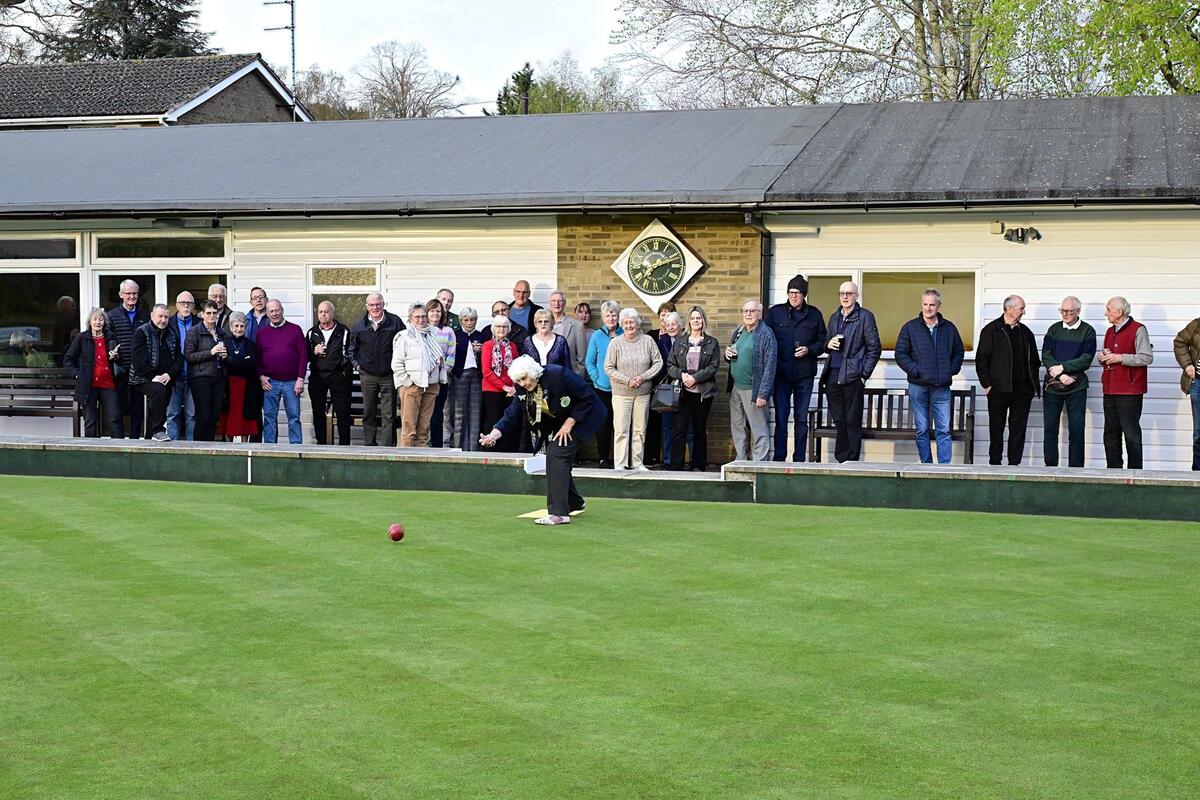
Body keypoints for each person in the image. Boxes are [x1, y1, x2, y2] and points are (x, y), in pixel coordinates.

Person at [481, 356, 603, 525]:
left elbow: (587, 396)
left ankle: (559, 514)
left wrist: (570, 423)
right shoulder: (522, 389)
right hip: (562, 420)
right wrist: (493, 435)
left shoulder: (558, 374)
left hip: (586, 416)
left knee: (556, 453)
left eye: (524, 378)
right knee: (557, 457)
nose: (523, 383)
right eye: (519, 380)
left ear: (532, 373)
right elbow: (512, 414)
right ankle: (574, 502)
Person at [894, 289, 965, 464]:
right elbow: (901, 354)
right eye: (925, 304)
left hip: (941, 387)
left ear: (938, 306)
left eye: (932, 304)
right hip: (918, 386)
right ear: (921, 305)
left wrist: (950, 370)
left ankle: (944, 468)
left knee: (943, 430)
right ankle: (926, 466)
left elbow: (958, 351)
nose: (928, 308)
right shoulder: (910, 327)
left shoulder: (949, 328)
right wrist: (916, 371)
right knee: (922, 429)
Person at [976, 295, 1040, 466]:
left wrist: (1032, 385)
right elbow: (981, 359)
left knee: (1018, 430)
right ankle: (995, 464)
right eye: (1021, 308)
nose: (1024, 311)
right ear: (1009, 309)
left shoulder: (1025, 332)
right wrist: (987, 385)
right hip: (998, 389)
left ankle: (1014, 465)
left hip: (1022, 390)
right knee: (996, 429)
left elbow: (1034, 360)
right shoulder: (991, 330)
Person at [766, 275, 825, 462]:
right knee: (781, 418)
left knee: (801, 419)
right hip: (781, 375)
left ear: (804, 295)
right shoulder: (775, 313)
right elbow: (766, 340)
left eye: (797, 293)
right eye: (791, 292)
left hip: (804, 375)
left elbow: (822, 342)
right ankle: (779, 458)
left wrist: (809, 350)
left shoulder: (815, 314)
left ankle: (799, 458)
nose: (793, 296)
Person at [821, 282, 882, 463]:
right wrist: (828, 345)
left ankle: (852, 461)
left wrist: (864, 375)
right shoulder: (834, 317)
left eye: (849, 293)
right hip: (833, 373)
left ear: (857, 295)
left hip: (853, 375)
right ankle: (841, 459)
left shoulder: (865, 317)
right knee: (839, 419)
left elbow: (874, 348)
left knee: (852, 421)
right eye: (841, 293)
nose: (845, 297)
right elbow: (825, 343)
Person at [604, 307, 663, 470]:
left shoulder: (647, 341)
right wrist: (627, 380)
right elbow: (608, 367)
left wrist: (642, 377)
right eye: (626, 323)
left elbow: (658, 362)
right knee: (621, 430)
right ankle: (620, 464)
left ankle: (637, 463)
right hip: (621, 394)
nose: (629, 325)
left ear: (638, 323)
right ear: (622, 324)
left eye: (632, 322)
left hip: (643, 393)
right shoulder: (615, 343)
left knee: (639, 430)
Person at [1041, 296, 1096, 468]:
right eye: (1062, 310)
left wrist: (1063, 368)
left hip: (1077, 386)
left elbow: (1086, 359)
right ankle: (1050, 467)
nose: (1064, 314)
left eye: (1069, 311)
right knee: (1050, 428)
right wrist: (1059, 375)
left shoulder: (1088, 331)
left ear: (1078, 311)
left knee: (1077, 429)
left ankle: (1076, 470)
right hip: (1052, 386)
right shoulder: (1053, 329)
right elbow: (1046, 355)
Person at [1099, 296, 1152, 469]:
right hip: (1110, 389)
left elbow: (1146, 357)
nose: (1106, 313)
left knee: (1131, 435)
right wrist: (1102, 357)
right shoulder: (1110, 331)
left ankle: (1135, 475)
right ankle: (1113, 474)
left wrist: (1119, 358)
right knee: (1110, 435)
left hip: (1129, 391)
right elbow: (1109, 356)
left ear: (1119, 312)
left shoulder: (1138, 329)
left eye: (1108, 309)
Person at [666, 305, 720, 471]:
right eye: (693, 318)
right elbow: (670, 365)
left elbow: (713, 366)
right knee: (679, 429)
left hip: (702, 393)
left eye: (699, 318)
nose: (696, 321)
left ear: (703, 320)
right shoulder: (680, 341)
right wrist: (683, 376)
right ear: (689, 321)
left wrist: (696, 378)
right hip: (682, 392)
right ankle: (676, 465)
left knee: (699, 430)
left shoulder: (712, 343)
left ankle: (698, 464)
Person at [350, 292, 405, 446]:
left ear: (383, 304)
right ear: (367, 306)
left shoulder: (395, 322)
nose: (375, 307)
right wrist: (357, 366)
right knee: (369, 413)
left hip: (389, 375)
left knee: (389, 414)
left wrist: (398, 368)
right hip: (367, 375)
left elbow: (404, 345)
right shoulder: (359, 325)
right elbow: (351, 350)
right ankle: (369, 446)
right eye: (372, 305)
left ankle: (387, 447)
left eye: (378, 304)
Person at [726, 300, 778, 461]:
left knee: (759, 429)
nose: (748, 314)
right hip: (736, 388)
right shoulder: (739, 331)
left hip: (753, 390)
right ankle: (740, 461)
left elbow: (770, 365)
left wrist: (763, 393)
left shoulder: (766, 334)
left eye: (752, 311)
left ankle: (758, 465)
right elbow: (734, 353)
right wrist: (727, 355)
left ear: (759, 314)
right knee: (738, 427)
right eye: (745, 311)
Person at [392, 303, 448, 448]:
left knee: (424, 429)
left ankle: (420, 463)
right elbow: (396, 364)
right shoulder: (404, 336)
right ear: (410, 319)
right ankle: (405, 464)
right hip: (413, 386)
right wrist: (408, 382)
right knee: (409, 428)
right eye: (417, 317)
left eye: (423, 316)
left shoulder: (432, 334)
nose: (421, 320)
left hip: (431, 384)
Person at [63, 308, 123, 438]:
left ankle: (119, 450)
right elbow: (68, 359)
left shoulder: (111, 337)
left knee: (114, 419)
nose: (98, 322)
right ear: (89, 322)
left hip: (108, 384)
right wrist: (76, 374)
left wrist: (116, 357)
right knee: (90, 421)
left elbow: (121, 360)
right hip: (88, 385)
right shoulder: (82, 337)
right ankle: (90, 451)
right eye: (95, 319)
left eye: (101, 319)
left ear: (104, 322)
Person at [256, 299, 308, 444]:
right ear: (267, 313)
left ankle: (296, 449)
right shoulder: (262, 333)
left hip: (292, 382)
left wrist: (300, 378)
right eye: (271, 311)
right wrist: (261, 376)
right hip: (270, 382)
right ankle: (270, 449)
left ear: (282, 310)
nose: (274, 313)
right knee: (269, 417)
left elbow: (303, 355)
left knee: (294, 417)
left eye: (277, 310)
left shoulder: (295, 330)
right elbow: (258, 357)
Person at [129, 304, 181, 442]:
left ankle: (150, 435)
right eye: (160, 316)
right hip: (142, 378)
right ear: (152, 316)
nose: (163, 320)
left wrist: (169, 374)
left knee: (163, 393)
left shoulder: (172, 333)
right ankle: (158, 430)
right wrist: (153, 376)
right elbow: (138, 361)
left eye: (166, 317)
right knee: (159, 390)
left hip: (166, 378)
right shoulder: (142, 332)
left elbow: (178, 360)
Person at [106, 279, 149, 438]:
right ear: (121, 295)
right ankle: (118, 441)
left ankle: (135, 440)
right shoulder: (111, 316)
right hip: (120, 368)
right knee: (118, 408)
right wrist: (112, 354)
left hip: (139, 369)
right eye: (128, 293)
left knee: (138, 409)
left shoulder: (145, 315)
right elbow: (108, 340)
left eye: (135, 293)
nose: (132, 296)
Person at [307, 300, 353, 446]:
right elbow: (304, 355)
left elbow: (350, 353)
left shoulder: (344, 331)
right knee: (318, 412)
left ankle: (344, 445)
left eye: (326, 311)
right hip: (318, 377)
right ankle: (321, 444)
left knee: (342, 412)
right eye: (320, 312)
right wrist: (313, 351)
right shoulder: (312, 332)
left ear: (333, 313)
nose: (323, 314)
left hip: (338, 376)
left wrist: (345, 371)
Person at [183, 300, 228, 442]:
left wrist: (226, 356)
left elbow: (225, 356)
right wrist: (211, 352)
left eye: (214, 313)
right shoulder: (194, 331)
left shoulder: (221, 333)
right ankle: (199, 449)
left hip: (219, 377)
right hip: (200, 377)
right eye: (208, 313)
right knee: (203, 416)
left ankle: (211, 449)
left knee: (215, 417)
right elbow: (189, 356)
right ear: (202, 314)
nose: (212, 315)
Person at [585, 300, 620, 467]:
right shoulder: (597, 336)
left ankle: (620, 458)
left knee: (620, 425)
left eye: (614, 314)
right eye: (608, 315)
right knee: (604, 425)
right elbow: (589, 362)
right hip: (602, 389)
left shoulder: (624, 333)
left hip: (622, 389)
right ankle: (604, 458)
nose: (611, 318)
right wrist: (596, 378)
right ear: (603, 318)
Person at [647, 310, 683, 468]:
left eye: (674, 324)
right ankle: (668, 461)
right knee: (667, 427)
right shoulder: (661, 342)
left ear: (680, 325)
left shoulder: (686, 340)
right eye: (668, 325)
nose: (671, 327)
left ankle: (681, 461)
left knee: (685, 427)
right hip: (667, 389)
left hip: (685, 388)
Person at [219, 311, 261, 442]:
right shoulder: (224, 343)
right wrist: (240, 360)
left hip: (246, 386)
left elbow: (250, 363)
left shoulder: (250, 345)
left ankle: (244, 447)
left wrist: (230, 359)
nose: (239, 329)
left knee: (244, 419)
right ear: (231, 327)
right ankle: (228, 446)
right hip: (228, 386)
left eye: (242, 326)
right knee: (229, 417)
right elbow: (223, 364)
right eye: (236, 326)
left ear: (245, 327)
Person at [481, 315, 520, 451]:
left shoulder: (513, 347)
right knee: (492, 422)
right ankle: (490, 451)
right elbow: (486, 371)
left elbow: (516, 370)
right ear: (493, 328)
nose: (501, 329)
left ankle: (508, 452)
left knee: (509, 423)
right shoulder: (487, 346)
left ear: (508, 329)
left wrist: (513, 388)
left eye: (504, 326)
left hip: (511, 391)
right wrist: (505, 387)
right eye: (498, 326)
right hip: (492, 391)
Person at [452, 308, 487, 451]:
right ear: (461, 321)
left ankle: (473, 449)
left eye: (472, 320)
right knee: (460, 414)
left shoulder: (481, 335)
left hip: (477, 376)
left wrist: (481, 350)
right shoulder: (455, 335)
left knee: (475, 412)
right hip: (460, 375)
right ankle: (459, 448)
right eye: (466, 320)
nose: (469, 323)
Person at [426, 299, 457, 446]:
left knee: (438, 413)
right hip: (423, 379)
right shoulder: (422, 329)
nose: (435, 313)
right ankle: (422, 443)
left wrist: (444, 371)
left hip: (440, 378)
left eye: (438, 311)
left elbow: (451, 354)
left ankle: (436, 444)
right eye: (432, 310)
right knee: (424, 412)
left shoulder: (448, 331)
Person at [167, 291, 197, 441]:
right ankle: (172, 449)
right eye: (182, 303)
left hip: (193, 376)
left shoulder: (199, 323)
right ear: (177, 305)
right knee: (172, 415)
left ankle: (191, 449)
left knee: (191, 415)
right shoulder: (168, 323)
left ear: (193, 305)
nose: (186, 305)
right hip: (174, 377)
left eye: (189, 303)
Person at [1173, 315, 1200, 470]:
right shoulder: (1197, 324)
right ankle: (1197, 473)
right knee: (1198, 432)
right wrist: (1187, 365)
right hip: (1198, 383)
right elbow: (1180, 342)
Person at [549, 290, 589, 377]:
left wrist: (578, 378)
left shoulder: (577, 325)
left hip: (570, 375)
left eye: (560, 301)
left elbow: (582, 357)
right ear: (550, 303)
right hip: (549, 375)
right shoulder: (544, 324)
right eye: (554, 301)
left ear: (565, 303)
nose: (557, 304)